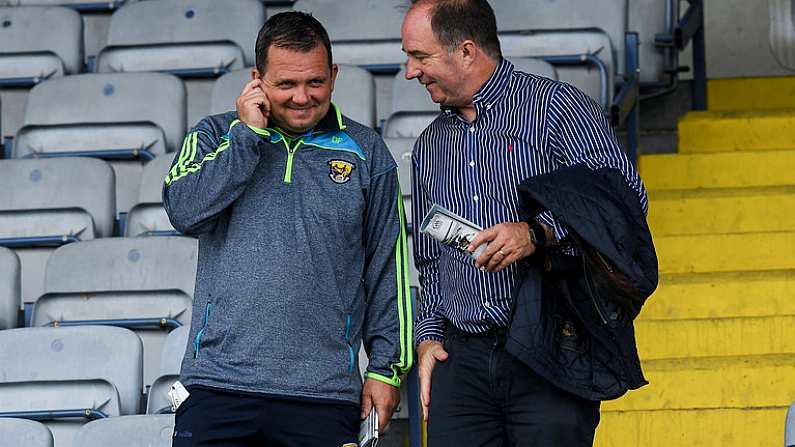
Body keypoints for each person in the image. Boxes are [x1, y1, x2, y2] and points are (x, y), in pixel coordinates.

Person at [403, 0, 650, 445]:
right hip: (462, 359)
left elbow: (625, 203)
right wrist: (427, 341)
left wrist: (537, 232)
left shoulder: (558, 108)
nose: (409, 71)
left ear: (466, 51)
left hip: (552, 345)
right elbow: (432, 262)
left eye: (420, 56)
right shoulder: (428, 148)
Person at [164, 11, 413, 447]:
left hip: (322, 395)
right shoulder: (214, 135)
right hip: (217, 386)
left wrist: (384, 368)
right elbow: (185, 211)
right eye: (286, 85)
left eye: (315, 82)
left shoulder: (366, 152)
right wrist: (246, 136)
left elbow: (388, 268)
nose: (302, 97)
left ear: (333, 75)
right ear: (257, 80)